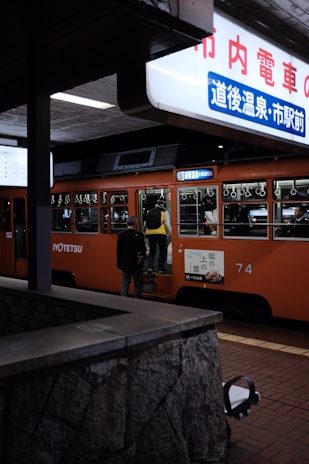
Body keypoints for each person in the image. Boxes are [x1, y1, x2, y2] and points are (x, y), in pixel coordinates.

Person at [117, 216, 146, 298]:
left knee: (125, 284)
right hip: (137, 264)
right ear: (135, 224)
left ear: (126, 223)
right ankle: (136, 302)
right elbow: (143, 250)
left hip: (125, 264)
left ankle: (124, 302)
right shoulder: (139, 235)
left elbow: (119, 251)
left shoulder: (121, 235)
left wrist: (119, 265)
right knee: (137, 285)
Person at [145, 197, 172, 274]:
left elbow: (145, 224)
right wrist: (171, 234)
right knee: (162, 250)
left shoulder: (150, 211)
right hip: (160, 234)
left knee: (152, 251)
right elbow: (167, 224)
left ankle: (150, 267)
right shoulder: (164, 212)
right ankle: (160, 268)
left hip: (150, 234)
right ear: (164, 204)